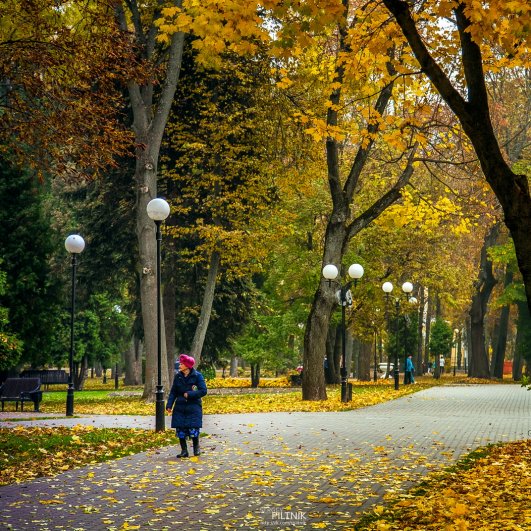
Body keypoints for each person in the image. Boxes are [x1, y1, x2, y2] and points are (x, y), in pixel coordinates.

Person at [166, 354, 207, 458]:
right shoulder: (178, 376)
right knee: (180, 430)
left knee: (193, 428)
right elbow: (173, 392)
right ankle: (184, 451)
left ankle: (196, 448)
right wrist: (169, 405)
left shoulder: (197, 376)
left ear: (187, 366)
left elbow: (203, 390)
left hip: (193, 407)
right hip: (180, 407)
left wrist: (190, 394)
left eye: (181, 364)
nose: (179, 365)